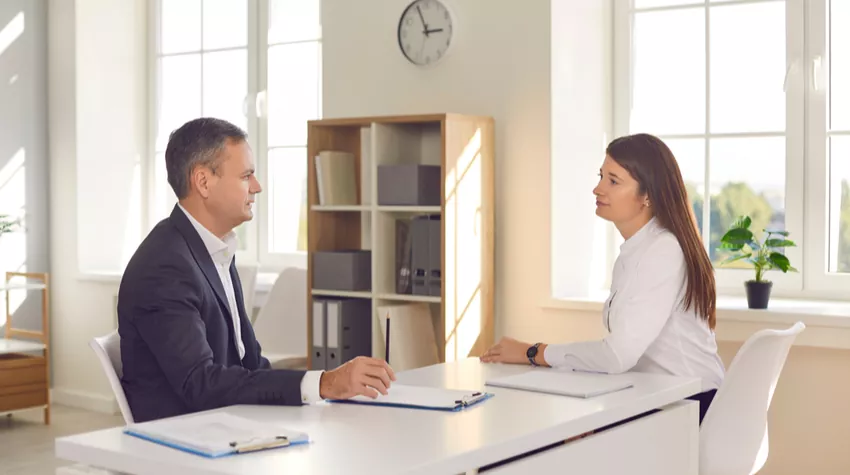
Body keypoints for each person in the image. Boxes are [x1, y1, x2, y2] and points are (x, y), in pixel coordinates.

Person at [118, 117, 395, 423]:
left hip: (227, 425)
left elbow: (251, 365)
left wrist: (321, 391)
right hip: (184, 442)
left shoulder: (216, 250)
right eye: (246, 176)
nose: (257, 186)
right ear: (203, 181)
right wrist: (325, 383)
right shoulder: (164, 266)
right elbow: (199, 383)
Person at [481, 133, 725, 424]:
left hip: (693, 407)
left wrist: (533, 352)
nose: (597, 188)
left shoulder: (662, 251)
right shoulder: (637, 250)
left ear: (647, 195)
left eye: (613, 180)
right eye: (601, 176)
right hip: (664, 398)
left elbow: (617, 355)